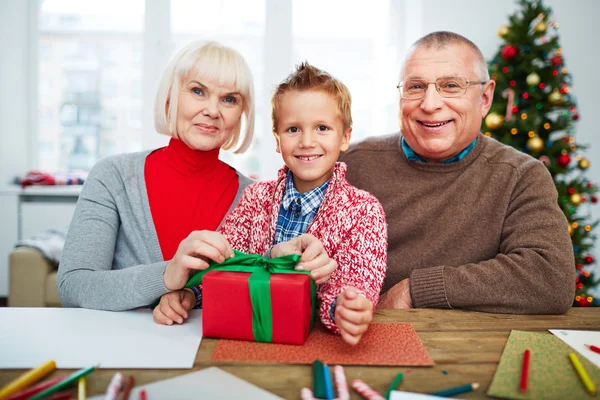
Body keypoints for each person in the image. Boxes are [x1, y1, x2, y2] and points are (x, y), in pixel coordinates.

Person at [57, 41, 335, 311]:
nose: (212, 111)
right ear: (171, 96)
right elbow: (74, 285)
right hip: (121, 349)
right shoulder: (114, 177)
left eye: (228, 99)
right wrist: (167, 275)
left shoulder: (257, 198)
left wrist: (290, 262)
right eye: (198, 91)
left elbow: (259, 290)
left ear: (241, 114)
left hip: (213, 350)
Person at [339, 31, 575, 314]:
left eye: (451, 85)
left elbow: (550, 278)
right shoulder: (350, 164)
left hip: (468, 346)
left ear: (485, 98)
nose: (430, 104)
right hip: (361, 341)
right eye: (415, 87)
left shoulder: (521, 176)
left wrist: (416, 289)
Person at [154, 62, 388, 345]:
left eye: (322, 128)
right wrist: (190, 295)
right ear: (277, 140)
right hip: (244, 342)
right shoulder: (254, 198)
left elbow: (357, 285)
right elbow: (221, 269)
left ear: (345, 137)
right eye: (292, 130)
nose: (306, 141)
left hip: (314, 346)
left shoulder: (364, 210)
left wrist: (346, 309)